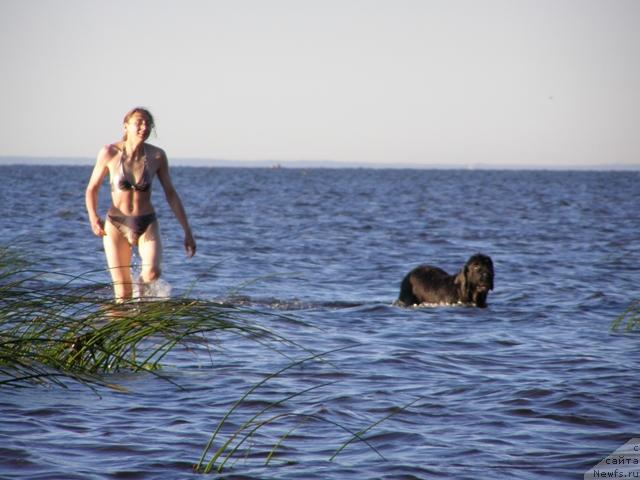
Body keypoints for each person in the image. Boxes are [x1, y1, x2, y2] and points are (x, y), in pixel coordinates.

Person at [85, 107, 196, 301]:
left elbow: (170, 193)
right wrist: (93, 216)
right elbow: (92, 188)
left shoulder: (157, 156)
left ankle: (142, 299)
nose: (144, 127)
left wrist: (187, 230)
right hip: (116, 225)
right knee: (122, 293)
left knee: (152, 273)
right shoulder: (109, 152)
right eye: (139, 122)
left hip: (147, 222)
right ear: (126, 126)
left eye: (148, 124)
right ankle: (126, 323)